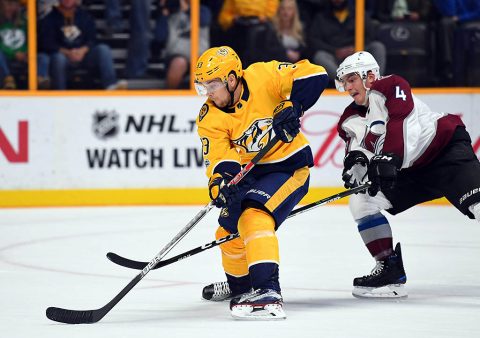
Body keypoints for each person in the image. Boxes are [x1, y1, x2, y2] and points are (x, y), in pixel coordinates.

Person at [194, 46, 328, 319]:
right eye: (202, 87)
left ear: (232, 79)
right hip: (253, 173)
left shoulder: (263, 75)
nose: (208, 93)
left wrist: (294, 105)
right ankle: (240, 287)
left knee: (254, 215)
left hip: (289, 168)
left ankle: (267, 291)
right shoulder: (209, 116)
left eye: (213, 85)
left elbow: (316, 74)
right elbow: (220, 159)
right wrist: (222, 184)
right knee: (228, 231)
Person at [334, 51, 480, 298]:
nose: (348, 87)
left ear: (369, 76)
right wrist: (356, 165)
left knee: (478, 205)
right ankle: (389, 268)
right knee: (362, 201)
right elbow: (356, 149)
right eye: (345, 82)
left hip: (445, 152)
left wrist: (388, 157)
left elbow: (399, 123)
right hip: (411, 170)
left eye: (351, 79)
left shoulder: (392, 85)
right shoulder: (348, 119)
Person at [38, 0, 127, 90]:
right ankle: (60, 92)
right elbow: (48, 44)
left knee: (103, 49)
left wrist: (82, 50)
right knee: (57, 58)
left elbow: (92, 39)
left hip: (84, 56)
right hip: (63, 57)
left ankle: (111, 85)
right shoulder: (49, 18)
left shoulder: (85, 16)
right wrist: (68, 53)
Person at [307, 0, 386, 83]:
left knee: (378, 47)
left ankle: (375, 83)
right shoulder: (321, 17)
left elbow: (371, 35)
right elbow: (314, 41)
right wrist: (335, 51)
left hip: (359, 56)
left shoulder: (359, 13)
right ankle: (347, 81)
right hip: (335, 59)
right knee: (320, 56)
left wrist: (356, 48)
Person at [0, 0, 27, 89]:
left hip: (23, 57)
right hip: (5, 58)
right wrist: (13, 53)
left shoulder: (25, 22)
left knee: (42, 57)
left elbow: (31, 40)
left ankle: (41, 80)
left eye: (13, 4)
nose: (10, 8)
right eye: (7, 4)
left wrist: (25, 52)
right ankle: (7, 78)